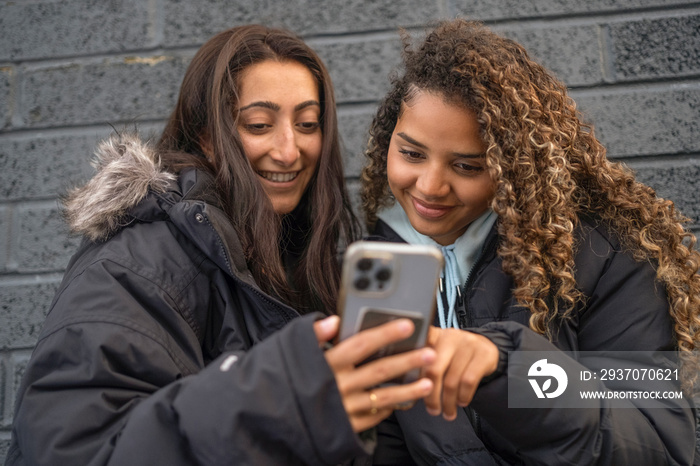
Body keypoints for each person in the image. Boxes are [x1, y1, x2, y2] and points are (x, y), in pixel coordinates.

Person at [5, 25, 437, 466]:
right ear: (206, 136)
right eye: (258, 125)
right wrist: (279, 399)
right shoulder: (140, 262)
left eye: (307, 124)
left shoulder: (295, 256)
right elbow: (78, 450)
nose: (289, 150)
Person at [360, 19, 700, 465]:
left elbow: (658, 446)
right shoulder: (386, 261)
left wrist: (504, 367)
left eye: (466, 167)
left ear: (511, 169)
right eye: (411, 153)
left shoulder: (606, 259)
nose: (429, 186)